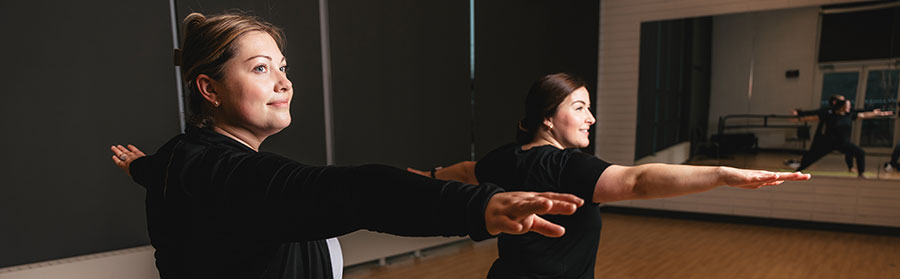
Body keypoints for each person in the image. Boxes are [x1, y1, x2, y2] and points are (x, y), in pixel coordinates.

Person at [109, 12, 586, 279]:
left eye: (283, 68)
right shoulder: (216, 172)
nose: (283, 83)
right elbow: (356, 191)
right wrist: (476, 206)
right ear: (209, 89)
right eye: (260, 68)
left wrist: (139, 166)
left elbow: (156, 172)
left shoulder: (179, 158)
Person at [409, 73, 811, 279]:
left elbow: (462, 171)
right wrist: (723, 175)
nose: (591, 118)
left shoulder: (504, 158)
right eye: (580, 107)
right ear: (548, 118)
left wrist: (420, 175)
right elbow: (638, 181)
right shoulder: (567, 167)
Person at [793, 98, 893, 177]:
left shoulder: (849, 115)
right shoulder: (830, 115)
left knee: (860, 153)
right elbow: (814, 117)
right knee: (812, 156)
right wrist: (800, 119)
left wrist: (876, 113)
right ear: (842, 107)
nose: (849, 106)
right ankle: (798, 171)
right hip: (829, 143)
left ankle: (860, 174)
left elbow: (863, 115)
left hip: (843, 143)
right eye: (848, 105)